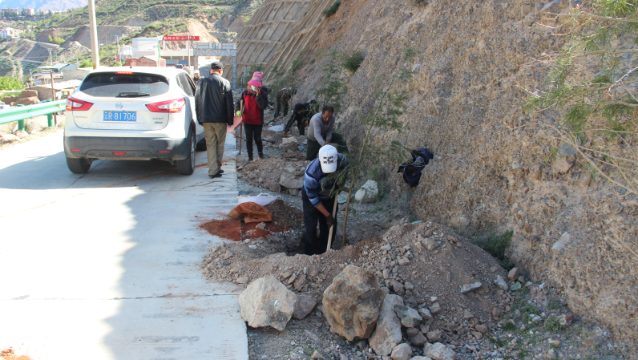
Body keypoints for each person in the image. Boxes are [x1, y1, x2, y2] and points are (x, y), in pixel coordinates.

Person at [302, 145, 348, 255]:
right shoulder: (311, 173)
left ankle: (325, 253)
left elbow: (345, 174)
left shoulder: (342, 161)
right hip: (311, 199)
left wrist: (340, 186)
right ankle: (310, 255)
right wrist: (327, 215)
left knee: (329, 226)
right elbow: (314, 199)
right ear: (318, 158)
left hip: (330, 195)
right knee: (311, 227)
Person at [195, 60, 234, 178]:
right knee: (220, 144)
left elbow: (197, 101)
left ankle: (213, 170)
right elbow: (229, 103)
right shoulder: (225, 83)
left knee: (210, 144)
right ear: (221, 71)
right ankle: (217, 167)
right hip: (220, 119)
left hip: (206, 119)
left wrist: (200, 118)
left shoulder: (201, 82)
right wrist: (230, 120)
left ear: (210, 70)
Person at [236, 72, 269, 161]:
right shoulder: (245, 93)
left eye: (256, 86)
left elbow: (263, 106)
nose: (254, 87)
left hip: (258, 121)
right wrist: (238, 111)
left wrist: (258, 96)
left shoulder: (263, 94)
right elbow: (239, 103)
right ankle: (250, 157)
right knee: (248, 139)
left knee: (257, 138)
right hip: (247, 120)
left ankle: (260, 154)